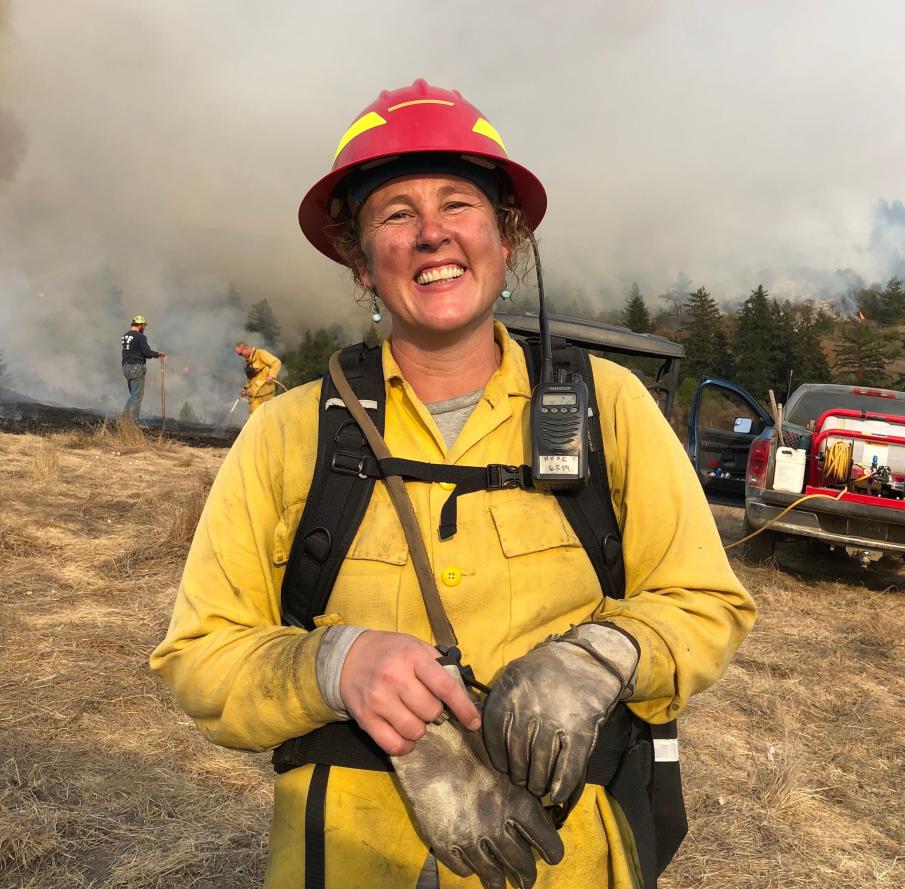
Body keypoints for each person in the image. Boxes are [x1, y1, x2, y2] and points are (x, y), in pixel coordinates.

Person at [151, 80, 756, 889]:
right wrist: (336, 665)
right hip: (347, 861)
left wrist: (604, 654)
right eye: (396, 214)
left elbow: (707, 602)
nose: (432, 233)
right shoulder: (288, 435)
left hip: (571, 860)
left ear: (507, 240)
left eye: (459, 204)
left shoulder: (610, 410)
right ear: (362, 263)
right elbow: (199, 655)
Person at [120, 315, 164, 421]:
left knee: (133, 395)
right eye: (143, 325)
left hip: (126, 367)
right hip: (136, 367)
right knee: (137, 396)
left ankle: (124, 419)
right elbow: (147, 353)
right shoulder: (140, 337)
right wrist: (158, 354)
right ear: (140, 325)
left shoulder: (125, 336)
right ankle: (132, 422)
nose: (144, 328)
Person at [235, 341, 282, 414]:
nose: (240, 355)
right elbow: (251, 378)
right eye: (239, 354)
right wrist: (245, 388)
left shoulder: (260, 353)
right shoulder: (248, 361)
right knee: (253, 417)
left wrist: (271, 376)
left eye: (240, 353)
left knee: (267, 415)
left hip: (265, 393)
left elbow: (276, 362)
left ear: (245, 349)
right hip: (254, 395)